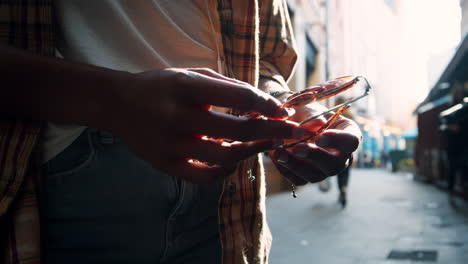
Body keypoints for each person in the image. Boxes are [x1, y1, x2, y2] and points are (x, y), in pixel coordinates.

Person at [0, 1, 361, 263]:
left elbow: (267, 59)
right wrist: (109, 100)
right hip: (65, 170)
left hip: (226, 203)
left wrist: (299, 110)